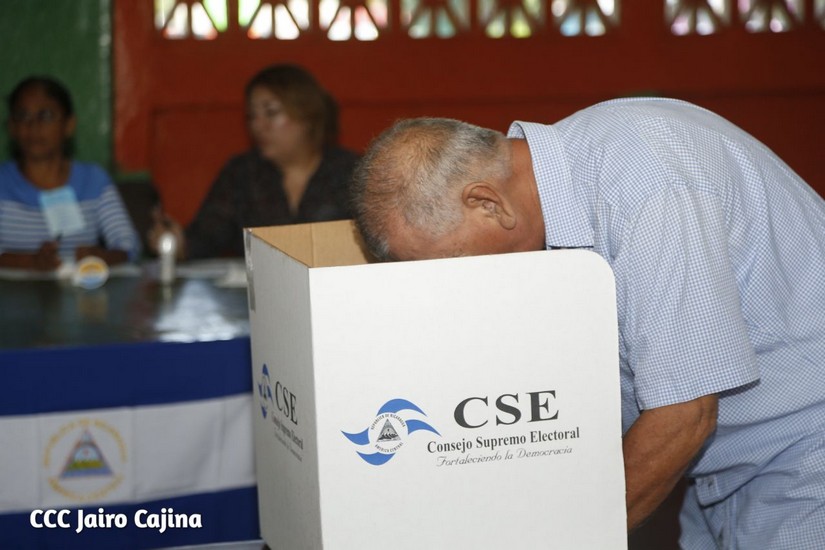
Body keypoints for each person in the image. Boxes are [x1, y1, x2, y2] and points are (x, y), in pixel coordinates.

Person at [350, 97, 825, 548]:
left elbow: (684, 412)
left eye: (452, 267)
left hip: (803, 451)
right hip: (725, 471)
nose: (457, 291)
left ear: (488, 203)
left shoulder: (646, 181)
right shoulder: (565, 192)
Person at [149, 64, 358, 259]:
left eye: (271, 112)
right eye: (251, 116)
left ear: (307, 115)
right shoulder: (242, 173)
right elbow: (206, 235)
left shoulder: (353, 172)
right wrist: (177, 243)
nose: (258, 125)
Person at [0, 76, 140, 270]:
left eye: (46, 116)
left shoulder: (93, 181)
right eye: (22, 116)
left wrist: (102, 256)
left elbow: (128, 245)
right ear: (11, 127)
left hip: (80, 288)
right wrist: (31, 262)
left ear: (69, 125)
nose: (33, 126)